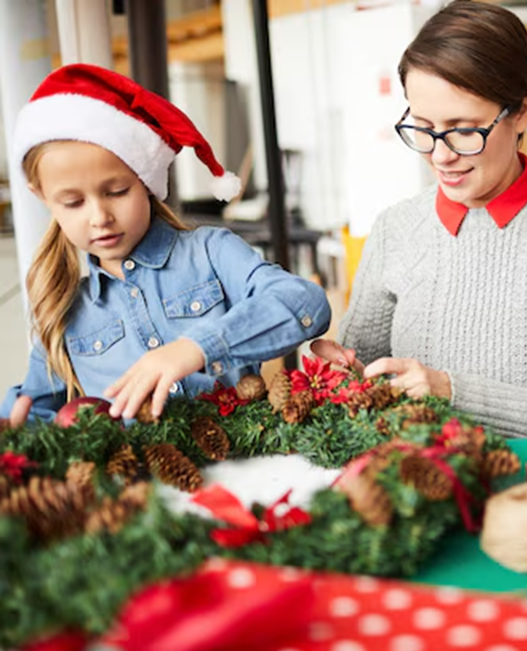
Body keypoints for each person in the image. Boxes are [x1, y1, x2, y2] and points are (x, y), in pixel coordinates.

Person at [312, 0, 527, 439]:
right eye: (424, 128)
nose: (441, 155)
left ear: (523, 110)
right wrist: (341, 372)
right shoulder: (397, 227)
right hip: (416, 489)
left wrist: (452, 392)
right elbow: (364, 376)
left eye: (463, 129)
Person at [0, 64, 331, 424]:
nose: (99, 217)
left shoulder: (211, 253)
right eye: (73, 203)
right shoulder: (64, 309)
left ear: (146, 180)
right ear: (44, 198)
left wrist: (197, 347)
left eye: (116, 192)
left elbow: (305, 302)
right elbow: (32, 415)